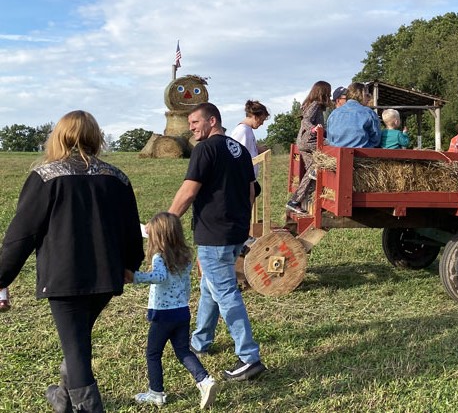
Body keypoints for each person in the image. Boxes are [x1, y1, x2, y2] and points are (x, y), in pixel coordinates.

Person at [0, 110, 144, 413]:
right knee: (77, 342)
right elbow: (132, 229)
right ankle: (63, 398)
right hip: (107, 277)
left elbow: (20, 236)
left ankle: (87, 407)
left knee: (77, 348)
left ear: (59, 136)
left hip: (65, 280)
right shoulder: (117, 177)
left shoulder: (45, 177)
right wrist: (131, 264)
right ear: (95, 137)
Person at [168, 103, 266, 382]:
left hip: (214, 234)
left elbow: (189, 191)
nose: (191, 127)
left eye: (195, 122)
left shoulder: (205, 149)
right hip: (235, 231)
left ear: (213, 121)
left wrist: (167, 219)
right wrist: (242, 224)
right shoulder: (240, 152)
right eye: (189, 123)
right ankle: (201, 342)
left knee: (224, 291)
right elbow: (250, 192)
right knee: (210, 286)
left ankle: (249, 358)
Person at [132, 212, 218, 409]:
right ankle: (204, 380)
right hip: (182, 312)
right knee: (182, 351)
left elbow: (159, 277)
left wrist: (135, 277)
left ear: (159, 238)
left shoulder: (159, 257)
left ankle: (156, 393)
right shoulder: (185, 256)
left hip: (164, 315)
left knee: (153, 353)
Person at [286, 81, 332, 216]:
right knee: (332, 148)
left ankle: (296, 202)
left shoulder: (312, 104)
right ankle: (297, 200)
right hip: (309, 141)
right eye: (328, 92)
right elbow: (305, 121)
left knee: (312, 171)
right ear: (323, 92)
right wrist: (314, 129)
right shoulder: (315, 105)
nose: (329, 95)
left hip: (302, 141)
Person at [327, 82, 381, 148]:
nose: (369, 99)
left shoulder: (334, 114)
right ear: (362, 94)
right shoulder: (369, 113)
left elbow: (330, 139)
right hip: (361, 154)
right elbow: (376, 139)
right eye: (367, 95)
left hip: (336, 154)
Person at [229, 100, 270, 178]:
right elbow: (237, 157)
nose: (262, 123)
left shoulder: (248, 130)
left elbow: (246, 151)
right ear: (255, 117)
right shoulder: (242, 131)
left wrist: (258, 149)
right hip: (243, 180)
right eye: (261, 119)